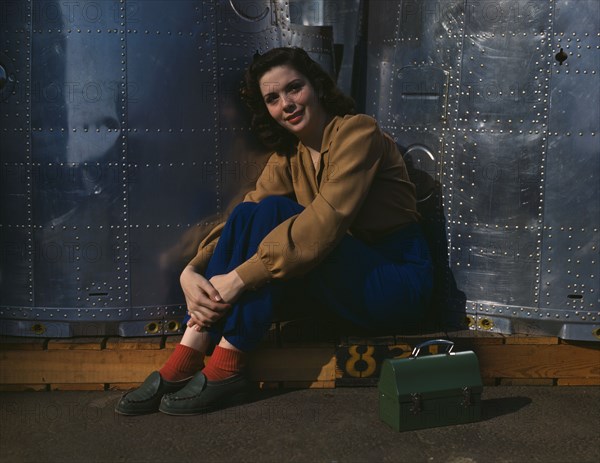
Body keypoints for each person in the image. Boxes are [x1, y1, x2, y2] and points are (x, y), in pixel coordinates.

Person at [115, 47, 433, 416]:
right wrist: (192, 270)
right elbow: (242, 216)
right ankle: (193, 345)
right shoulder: (290, 157)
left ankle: (225, 365)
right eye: (273, 98)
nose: (287, 104)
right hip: (343, 282)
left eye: (294, 88)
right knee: (253, 211)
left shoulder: (358, 133)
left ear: (316, 86)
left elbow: (324, 224)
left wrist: (238, 278)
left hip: (395, 281)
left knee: (276, 212)